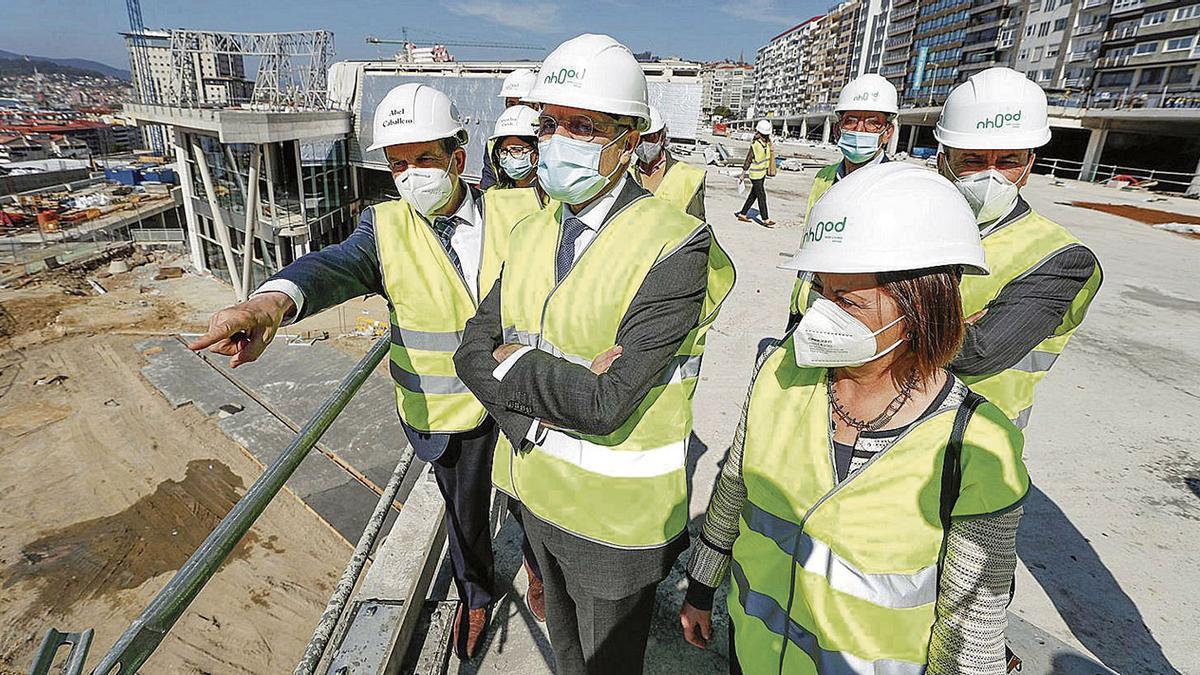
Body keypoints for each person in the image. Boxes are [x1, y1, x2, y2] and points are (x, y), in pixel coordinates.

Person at [187, 83, 547, 659]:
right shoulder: (383, 229)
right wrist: (268, 304)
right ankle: (476, 598)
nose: (411, 175)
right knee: (466, 522)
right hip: (445, 413)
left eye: (426, 159)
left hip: (520, 402)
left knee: (534, 502)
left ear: (458, 159)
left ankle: (538, 572)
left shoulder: (521, 211)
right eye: (398, 163)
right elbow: (334, 266)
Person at [454, 33, 735, 675]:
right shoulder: (530, 231)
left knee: (608, 666)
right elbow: (469, 351)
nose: (556, 140)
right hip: (536, 490)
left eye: (583, 125)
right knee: (568, 657)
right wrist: (529, 400)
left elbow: (608, 404)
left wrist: (513, 359)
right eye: (550, 123)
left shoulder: (676, 245)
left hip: (615, 524)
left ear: (628, 140)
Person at [680, 163, 1029, 675]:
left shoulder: (975, 445)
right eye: (821, 291)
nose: (822, 314)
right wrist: (702, 587)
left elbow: (972, 627)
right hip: (750, 656)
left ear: (922, 305)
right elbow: (734, 486)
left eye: (849, 301)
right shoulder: (781, 370)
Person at [935, 67, 1102, 429]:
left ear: (1028, 168)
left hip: (973, 436)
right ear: (942, 161)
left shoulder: (1061, 257)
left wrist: (882, 319)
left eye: (1007, 162)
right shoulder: (905, 221)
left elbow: (979, 352)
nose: (990, 175)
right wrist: (946, 328)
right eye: (974, 160)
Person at [787, 73, 899, 330]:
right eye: (851, 121)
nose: (860, 130)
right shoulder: (824, 177)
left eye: (872, 123)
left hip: (851, 317)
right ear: (838, 128)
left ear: (887, 131)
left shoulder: (894, 186)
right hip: (806, 304)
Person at [632, 104, 706, 219]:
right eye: (639, 139)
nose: (644, 144)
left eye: (651, 137)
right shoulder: (626, 173)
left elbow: (696, 225)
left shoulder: (688, 177)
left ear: (663, 136)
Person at [480, 68, 538, 190]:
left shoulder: (548, 142)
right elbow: (489, 183)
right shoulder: (493, 144)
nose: (516, 109)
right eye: (511, 104)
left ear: (537, 106)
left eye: (522, 104)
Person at [489, 104, 545, 198]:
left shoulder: (554, 199)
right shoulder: (492, 195)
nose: (509, 158)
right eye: (503, 151)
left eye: (516, 150)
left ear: (537, 152)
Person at [735, 118, 775, 226]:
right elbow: (748, 159)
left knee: (753, 195)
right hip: (755, 174)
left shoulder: (767, 144)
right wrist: (743, 173)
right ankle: (765, 219)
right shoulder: (755, 145)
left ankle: (743, 214)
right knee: (762, 195)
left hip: (762, 174)